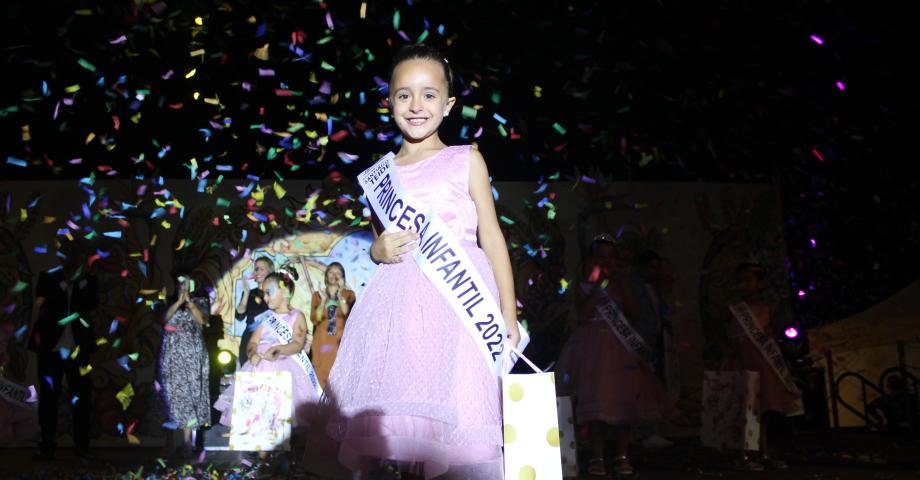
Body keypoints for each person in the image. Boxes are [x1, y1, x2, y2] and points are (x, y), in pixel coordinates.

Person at [316, 44, 521, 479]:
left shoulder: (466, 159)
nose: (416, 105)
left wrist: (508, 313)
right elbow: (378, 244)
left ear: (448, 105)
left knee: (453, 417)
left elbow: (493, 237)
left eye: (429, 94)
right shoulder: (379, 176)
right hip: (399, 310)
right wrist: (377, 251)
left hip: (459, 310)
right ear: (389, 101)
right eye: (404, 94)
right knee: (399, 422)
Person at [556, 234, 667, 476]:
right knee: (597, 400)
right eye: (600, 256)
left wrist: (620, 285)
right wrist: (599, 287)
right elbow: (583, 315)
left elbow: (635, 315)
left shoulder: (623, 284)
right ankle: (597, 457)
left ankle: (622, 455)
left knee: (622, 399)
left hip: (619, 347)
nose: (605, 261)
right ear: (591, 259)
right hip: (591, 348)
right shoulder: (584, 285)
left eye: (610, 256)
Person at [215, 266, 321, 432]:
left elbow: (297, 344)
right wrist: (252, 354)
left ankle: (279, 449)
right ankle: (262, 451)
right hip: (260, 369)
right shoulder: (265, 317)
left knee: (281, 411)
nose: (264, 297)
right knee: (258, 410)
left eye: (268, 292)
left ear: (284, 291)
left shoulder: (297, 316)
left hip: (285, 367)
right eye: (263, 293)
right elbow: (253, 342)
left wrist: (278, 350)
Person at [721, 262, 803, 471]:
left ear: (761, 283)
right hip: (743, 362)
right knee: (748, 410)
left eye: (748, 280)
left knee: (764, 410)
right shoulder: (734, 310)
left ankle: (765, 452)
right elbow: (726, 337)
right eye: (740, 281)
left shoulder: (768, 308)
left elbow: (773, 334)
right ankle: (745, 455)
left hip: (764, 363)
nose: (743, 285)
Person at [28, 240, 100, 461]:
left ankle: (82, 449)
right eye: (70, 257)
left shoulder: (89, 282)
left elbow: (90, 305)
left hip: (79, 350)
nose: (75, 262)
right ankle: (47, 447)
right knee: (49, 399)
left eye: (79, 257)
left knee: (82, 400)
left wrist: (77, 283)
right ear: (63, 258)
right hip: (51, 348)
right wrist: (64, 284)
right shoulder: (48, 278)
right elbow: (43, 303)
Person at [159, 270, 211, 457]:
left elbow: (203, 321)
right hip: (172, 355)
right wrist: (179, 302)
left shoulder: (200, 300)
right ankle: (170, 441)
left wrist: (189, 303)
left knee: (190, 397)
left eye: (187, 283)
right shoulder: (168, 299)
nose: (183, 286)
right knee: (171, 396)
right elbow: (164, 320)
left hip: (193, 356)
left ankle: (188, 442)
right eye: (181, 283)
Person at [306, 261, 355, 389]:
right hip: (321, 344)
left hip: (340, 344)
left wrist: (339, 295)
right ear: (326, 275)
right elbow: (314, 319)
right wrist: (322, 302)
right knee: (319, 382)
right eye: (331, 272)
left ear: (343, 277)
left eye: (338, 273)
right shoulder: (317, 295)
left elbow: (348, 316)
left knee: (338, 383)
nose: (335, 275)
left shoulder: (349, 295)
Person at [235, 257, 273, 366]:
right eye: (256, 269)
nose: (258, 272)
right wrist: (246, 293)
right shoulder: (250, 293)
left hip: (269, 338)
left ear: (270, 272)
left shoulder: (275, 294)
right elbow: (240, 316)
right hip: (249, 338)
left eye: (262, 269)